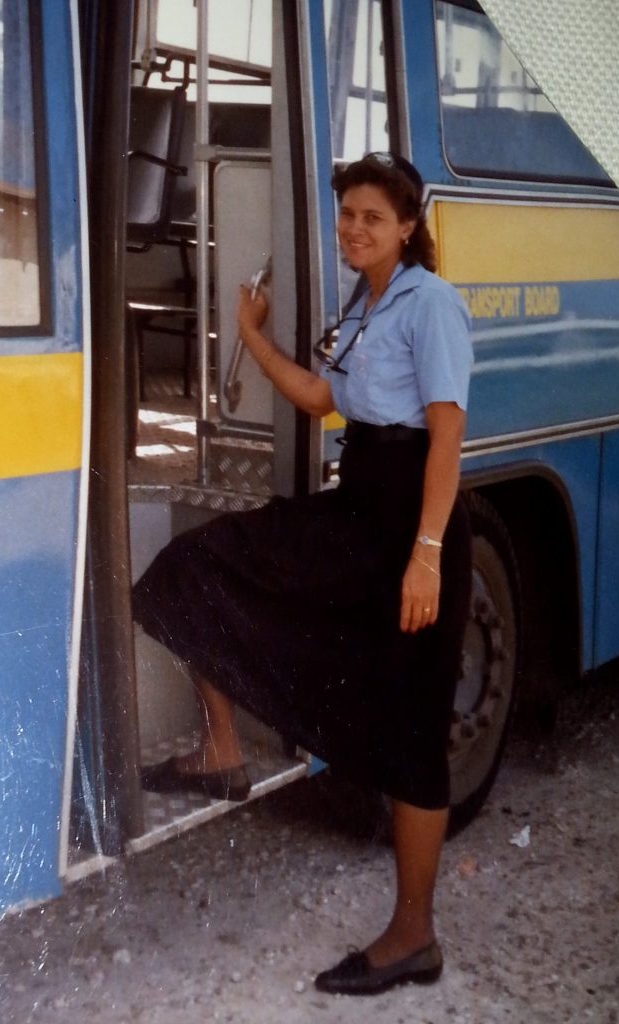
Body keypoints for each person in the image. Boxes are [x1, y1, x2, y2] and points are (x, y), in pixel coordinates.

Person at [132, 152, 473, 996]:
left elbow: (446, 434)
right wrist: (250, 337)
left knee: (412, 730)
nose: (354, 228)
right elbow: (323, 402)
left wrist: (426, 555)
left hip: (409, 525)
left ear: (406, 225)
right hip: (357, 509)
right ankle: (219, 749)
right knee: (194, 570)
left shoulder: (432, 303)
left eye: (371, 217)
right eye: (346, 214)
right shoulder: (366, 297)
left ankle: (413, 936)